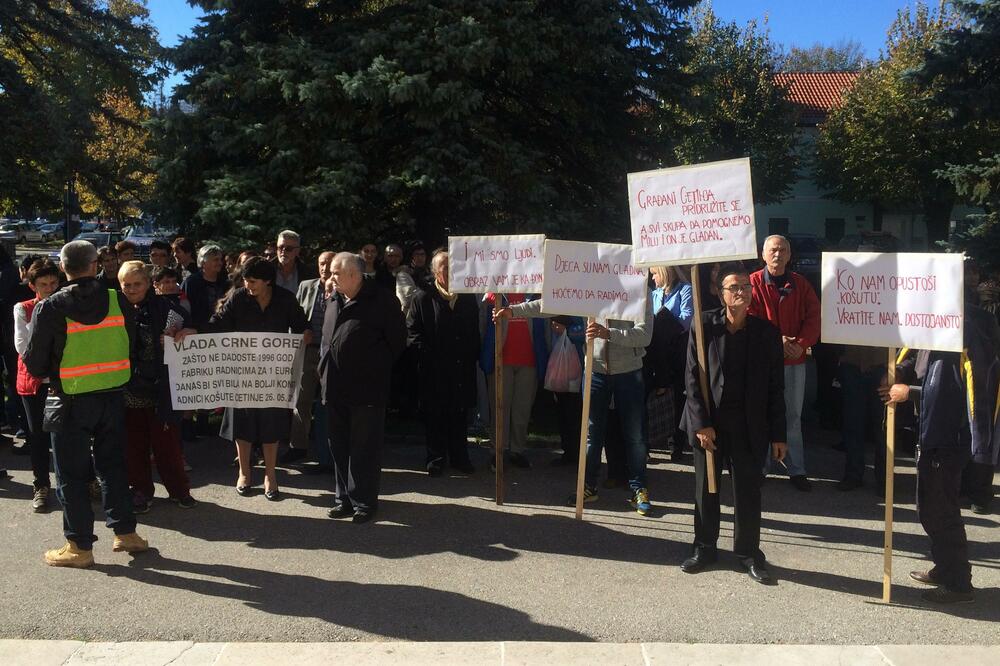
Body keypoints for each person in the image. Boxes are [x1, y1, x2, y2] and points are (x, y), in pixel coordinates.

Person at [24, 240, 149, 568]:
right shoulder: (116, 299)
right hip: (112, 395)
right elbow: (134, 345)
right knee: (113, 465)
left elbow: (35, 364)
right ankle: (126, 533)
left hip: (70, 400)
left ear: (63, 268)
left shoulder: (50, 307)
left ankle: (79, 546)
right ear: (95, 265)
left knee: (71, 475)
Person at [881, 304, 1000, 604]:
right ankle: (946, 568)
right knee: (931, 507)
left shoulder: (965, 332)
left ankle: (959, 582)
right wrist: (896, 371)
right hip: (933, 431)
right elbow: (920, 362)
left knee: (940, 509)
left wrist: (909, 392)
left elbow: (952, 392)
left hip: (949, 436)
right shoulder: (934, 323)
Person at [680, 263, 787, 585]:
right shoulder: (703, 326)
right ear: (720, 292)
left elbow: (775, 386)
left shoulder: (766, 332)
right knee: (705, 491)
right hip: (709, 425)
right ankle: (704, 547)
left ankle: (748, 553)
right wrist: (701, 423)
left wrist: (779, 434)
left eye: (745, 286)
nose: (740, 292)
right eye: (733, 287)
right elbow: (691, 379)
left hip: (749, 425)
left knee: (747, 492)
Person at [497, 293, 652, 514]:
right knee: (591, 433)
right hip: (595, 370)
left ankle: (639, 488)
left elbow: (645, 335)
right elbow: (554, 301)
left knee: (635, 435)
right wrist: (514, 311)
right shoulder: (590, 279)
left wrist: (609, 334)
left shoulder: (636, 283)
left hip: (629, 370)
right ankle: (588, 486)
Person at [207, 257, 310, 501]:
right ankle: (244, 473)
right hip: (242, 371)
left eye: (252, 281)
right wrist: (192, 332)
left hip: (272, 374)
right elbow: (218, 324)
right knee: (243, 423)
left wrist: (305, 333)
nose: (247, 285)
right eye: (244, 279)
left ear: (267, 281)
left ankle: (270, 476)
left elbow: (300, 323)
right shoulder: (239, 297)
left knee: (271, 423)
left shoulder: (285, 298)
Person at [320, 253, 407, 523]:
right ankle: (343, 499)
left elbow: (398, 342)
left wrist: (373, 367)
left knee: (364, 447)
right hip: (334, 387)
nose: (330, 277)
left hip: (367, 388)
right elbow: (327, 339)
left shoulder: (381, 300)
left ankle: (364, 503)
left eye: (335, 273)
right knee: (339, 445)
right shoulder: (334, 299)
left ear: (354, 275)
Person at [117, 261, 197, 512]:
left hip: (161, 388)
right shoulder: (113, 310)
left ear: (149, 283)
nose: (131, 289)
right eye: (126, 284)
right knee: (134, 446)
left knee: (168, 445)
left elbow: (190, 327)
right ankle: (140, 491)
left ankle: (179, 490)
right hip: (127, 390)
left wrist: (186, 332)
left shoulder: (167, 309)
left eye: (136, 284)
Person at [748, 235, 820, 491]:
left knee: (793, 416)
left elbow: (814, 318)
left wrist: (800, 343)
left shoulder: (801, 284)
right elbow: (747, 318)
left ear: (790, 255)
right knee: (762, 414)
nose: (777, 254)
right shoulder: (752, 283)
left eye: (783, 250)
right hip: (762, 362)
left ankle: (796, 469)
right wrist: (776, 342)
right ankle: (763, 466)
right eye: (773, 250)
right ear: (763, 254)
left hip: (794, 360)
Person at [407, 249, 480, 476]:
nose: (450, 271)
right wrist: (429, 356)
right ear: (435, 272)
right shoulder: (422, 297)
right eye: (445, 267)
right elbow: (412, 334)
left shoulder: (467, 298)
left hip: (461, 369)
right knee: (436, 414)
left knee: (459, 413)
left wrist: (470, 355)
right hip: (434, 370)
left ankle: (460, 456)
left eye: (454, 267)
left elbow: (474, 333)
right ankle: (436, 457)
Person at [14, 259, 61, 512]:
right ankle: (41, 485)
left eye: (54, 283)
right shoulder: (23, 309)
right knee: (38, 436)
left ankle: (87, 480)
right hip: (34, 382)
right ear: (33, 285)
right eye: (43, 284)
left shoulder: (67, 305)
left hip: (61, 380)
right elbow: (23, 347)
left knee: (71, 432)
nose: (50, 288)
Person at [482, 292, 550, 469]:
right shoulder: (495, 293)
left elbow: (545, 327)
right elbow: (482, 324)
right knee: (499, 408)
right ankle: (497, 452)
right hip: (500, 361)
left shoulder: (535, 292)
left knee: (522, 409)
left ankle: (517, 450)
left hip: (529, 361)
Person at [284, 250, 335, 463]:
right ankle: (298, 446)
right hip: (307, 351)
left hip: (331, 354)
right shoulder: (306, 286)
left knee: (329, 402)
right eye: (322, 263)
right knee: (301, 401)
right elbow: (295, 316)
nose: (324, 268)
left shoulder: (342, 288)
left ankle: (329, 450)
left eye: (329, 263)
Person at [182, 243, 229, 330]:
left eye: (220, 260)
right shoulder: (191, 283)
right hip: (197, 333)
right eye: (215, 260)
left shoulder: (226, 283)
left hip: (221, 331)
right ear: (203, 262)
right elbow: (184, 309)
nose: (220, 263)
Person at [650, 266, 693, 330]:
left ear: (664, 273)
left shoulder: (685, 290)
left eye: (655, 273)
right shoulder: (653, 295)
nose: (652, 278)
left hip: (677, 337)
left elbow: (686, 319)